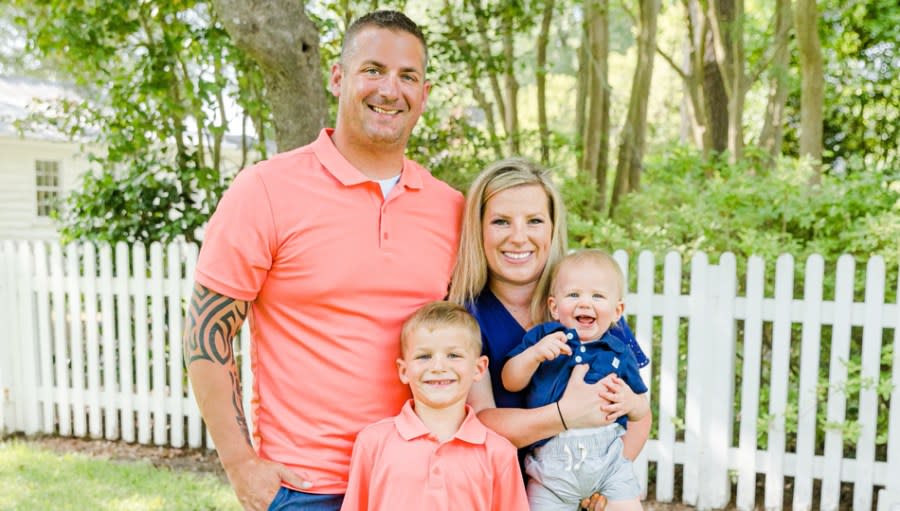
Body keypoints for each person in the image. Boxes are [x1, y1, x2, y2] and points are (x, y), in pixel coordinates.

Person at [183, 11, 464, 511]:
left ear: (424, 92)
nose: (390, 89)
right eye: (373, 69)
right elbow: (207, 334)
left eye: (408, 76)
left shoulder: (451, 208)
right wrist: (240, 463)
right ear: (338, 77)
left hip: (420, 480)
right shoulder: (265, 190)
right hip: (305, 487)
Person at [448, 157, 652, 511]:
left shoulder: (589, 307)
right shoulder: (467, 315)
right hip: (506, 492)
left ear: (553, 227)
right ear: (478, 228)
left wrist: (609, 478)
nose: (518, 237)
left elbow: (639, 412)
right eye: (500, 221)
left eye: (535, 221)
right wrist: (565, 414)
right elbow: (484, 420)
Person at [340, 301, 529, 510]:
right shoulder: (373, 442)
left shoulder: (499, 452)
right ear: (403, 370)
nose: (438, 367)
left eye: (453, 355)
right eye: (424, 356)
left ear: (479, 368)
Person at [502, 249, 649, 510]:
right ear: (554, 307)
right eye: (573, 295)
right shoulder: (544, 339)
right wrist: (533, 356)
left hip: (609, 466)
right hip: (550, 472)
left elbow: (641, 408)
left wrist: (630, 402)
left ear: (617, 311)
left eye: (597, 296)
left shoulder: (618, 351)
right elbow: (510, 381)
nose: (585, 303)